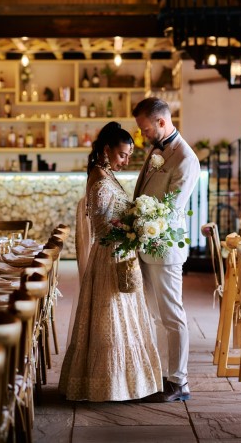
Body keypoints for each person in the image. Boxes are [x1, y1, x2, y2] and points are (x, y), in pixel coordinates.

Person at [59, 121, 162, 402]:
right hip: (109, 256)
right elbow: (103, 223)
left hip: (118, 252)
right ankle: (107, 384)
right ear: (106, 150)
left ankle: (125, 383)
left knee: (123, 316)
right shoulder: (100, 178)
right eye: (122, 155)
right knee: (110, 316)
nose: (126, 161)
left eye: (129, 155)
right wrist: (137, 225)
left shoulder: (105, 173)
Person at [133, 97, 200, 402]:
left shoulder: (185, 158)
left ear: (161, 122)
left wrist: (136, 220)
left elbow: (172, 210)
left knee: (172, 315)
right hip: (146, 246)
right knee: (156, 316)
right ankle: (163, 374)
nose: (143, 135)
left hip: (165, 247)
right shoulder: (157, 150)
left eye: (145, 129)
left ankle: (180, 381)